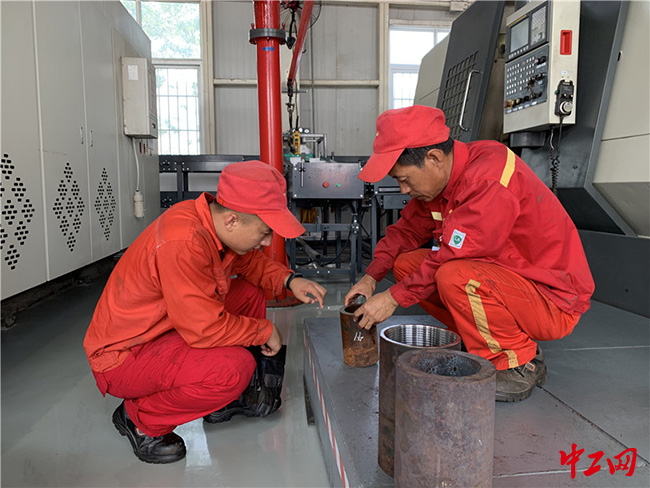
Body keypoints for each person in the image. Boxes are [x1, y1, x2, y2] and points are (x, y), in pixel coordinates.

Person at [345, 105, 594, 402]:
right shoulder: (443, 181)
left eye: (405, 179)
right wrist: (371, 278)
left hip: (553, 300)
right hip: (512, 282)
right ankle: (479, 338)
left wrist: (392, 298)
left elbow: (450, 256)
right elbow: (405, 232)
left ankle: (517, 362)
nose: (402, 190)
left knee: (454, 275)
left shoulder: (487, 178)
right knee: (406, 265)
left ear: (434, 158)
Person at [84, 160, 327, 464]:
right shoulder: (184, 242)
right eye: (264, 232)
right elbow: (205, 329)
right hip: (124, 356)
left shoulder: (210, 223)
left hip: (163, 328)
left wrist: (290, 280)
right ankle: (139, 418)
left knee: (249, 294)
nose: (266, 242)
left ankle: (222, 403)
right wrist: (264, 330)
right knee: (233, 370)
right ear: (232, 221)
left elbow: (250, 264)